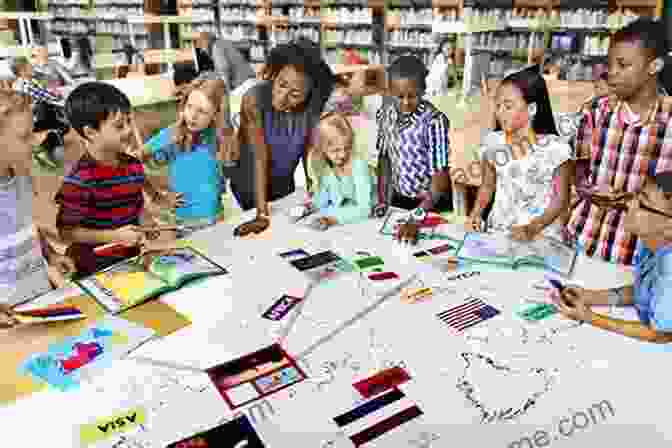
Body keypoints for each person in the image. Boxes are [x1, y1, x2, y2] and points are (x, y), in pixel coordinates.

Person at [567, 18, 672, 266]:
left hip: (638, 261)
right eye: (610, 63)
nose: (611, 73)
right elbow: (578, 168)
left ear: (654, 66)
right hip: (580, 244)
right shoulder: (594, 111)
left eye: (623, 65)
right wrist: (587, 189)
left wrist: (629, 200)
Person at [55, 82, 174, 277]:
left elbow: (135, 204)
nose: (128, 130)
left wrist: (146, 222)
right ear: (90, 132)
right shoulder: (79, 180)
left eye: (129, 121)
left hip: (130, 261)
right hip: (92, 269)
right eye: (119, 125)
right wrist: (114, 236)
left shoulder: (133, 165)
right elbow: (66, 232)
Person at [231, 39, 337, 237]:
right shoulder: (254, 100)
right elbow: (259, 157)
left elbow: (308, 151)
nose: (281, 97)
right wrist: (261, 214)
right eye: (281, 85)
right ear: (275, 74)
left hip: (283, 186)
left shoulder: (313, 107)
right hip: (249, 187)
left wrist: (315, 191)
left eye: (295, 94)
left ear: (309, 95)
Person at [552, 170, 672, 344]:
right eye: (635, 196)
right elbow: (647, 290)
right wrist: (591, 297)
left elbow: (660, 334)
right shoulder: (652, 243)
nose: (629, 204)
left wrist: (589, 317)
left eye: (642, 203)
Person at [465, 65, 572, 242]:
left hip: (541, 238)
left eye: (508, 106)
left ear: (531, 109)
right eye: (498, 106)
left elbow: (560, 200)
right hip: (499, 234)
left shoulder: (556, 149)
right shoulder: (493, 143)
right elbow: (487, 186)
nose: (500, 113)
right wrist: (476, 213)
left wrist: (532, 228)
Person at [0, 88, 76, 309]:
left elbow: (27, 226)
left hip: (39, 299)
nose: (35, 143)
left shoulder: (22, 179)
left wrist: (51, 254)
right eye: (25, 137)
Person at [135, 78, 230, 237]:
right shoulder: (172, 133)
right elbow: (133, 162)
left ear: (216, 114)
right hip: (183, 221)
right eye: (189, 107)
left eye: (202, 111)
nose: (192, 116)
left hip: (216, 217)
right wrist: (156, 196)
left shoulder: (218, 134)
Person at [375, 55, 453, 245]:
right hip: (399, 200)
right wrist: (383, 199)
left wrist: (417, 217)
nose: (405, 102)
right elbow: (384, 157)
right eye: (399, 96)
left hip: (431, 203)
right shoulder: (385, 115)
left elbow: (440, 178)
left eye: (413, 95)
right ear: (390, 91)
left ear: (423, 90)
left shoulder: (434, 121)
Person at [299, 112, 373, 229]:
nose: (343, 154)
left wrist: (332, 220)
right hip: (345, 220)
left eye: (347, 147)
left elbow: (365, 208)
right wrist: (309, 207)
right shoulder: (328, 170)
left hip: (365, 221)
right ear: (323, 149)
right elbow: (323, 197)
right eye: (335, 150)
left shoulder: (358, 166)